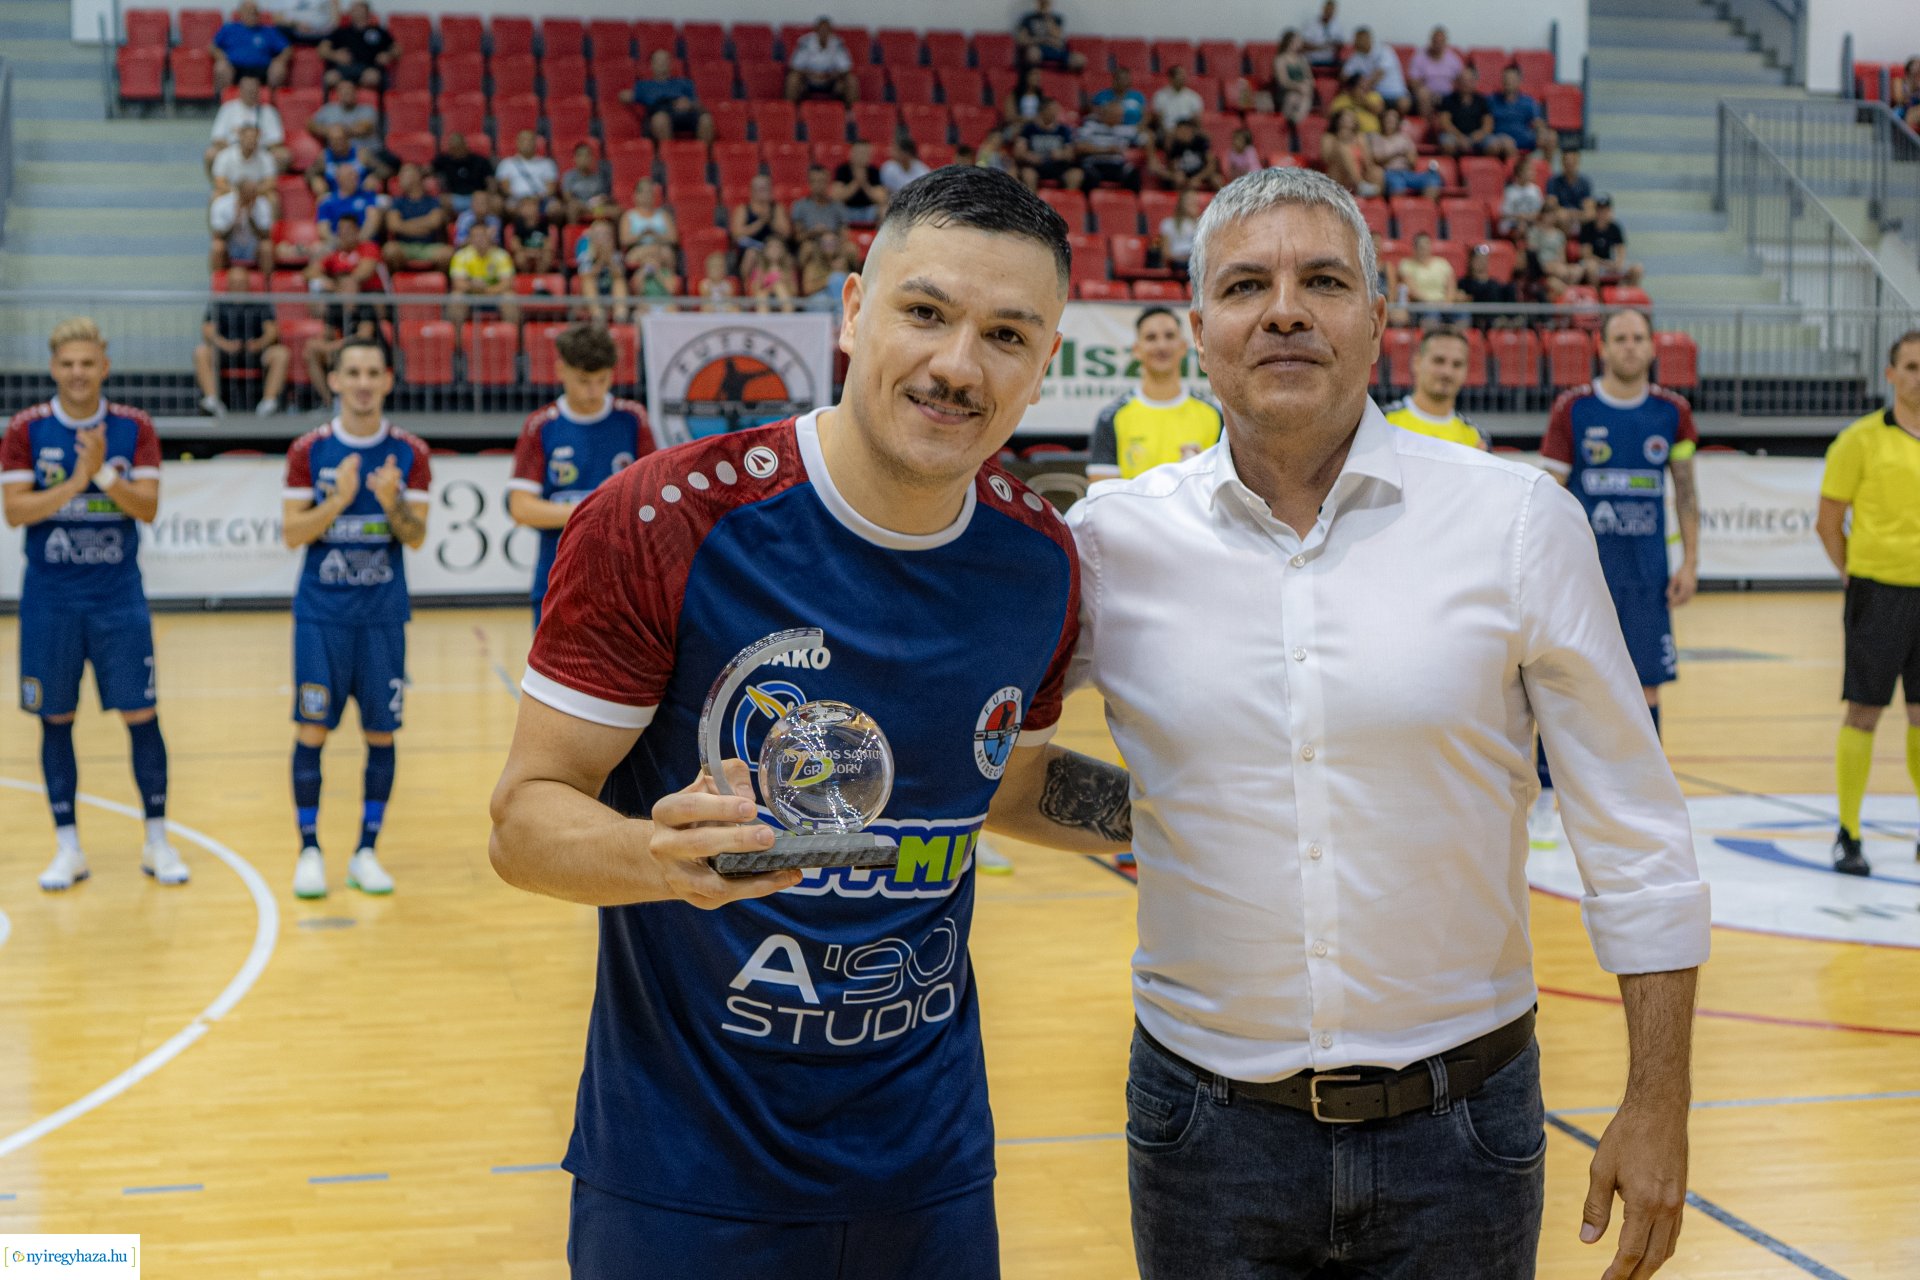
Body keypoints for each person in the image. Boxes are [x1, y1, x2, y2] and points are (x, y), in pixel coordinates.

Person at [487, 165, 1130, 1277]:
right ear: (851, 310)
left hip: (930, 1171)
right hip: (684, 1176)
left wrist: (1183, 813)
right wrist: (655, 852)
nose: (957, 365)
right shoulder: (663, 520)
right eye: (925, 312)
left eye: (1007, 335)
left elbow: (1011, 788)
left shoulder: (1039, 558)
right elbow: (523, 823)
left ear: (1046, 365)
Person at [1066, 166, 1705, 1280]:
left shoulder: (1517, 524)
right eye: (1245, 284)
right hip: (1202, 1132)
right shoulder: (1109, 546)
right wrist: (1166, 816)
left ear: (1378, 323)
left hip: (1464, 1130)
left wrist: (1659, 1099)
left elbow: (1635, 832)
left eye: (1323, 279)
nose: (1285, 309)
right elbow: (992, 754)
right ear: (1199, 331)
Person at [3, 318, 186, 891]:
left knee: (141, 715)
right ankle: (69, 847)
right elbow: (16, 512)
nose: (78, 373)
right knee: (56, 718)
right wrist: (76, 479)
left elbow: (148, 508)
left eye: (88, 363)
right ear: (53, 368)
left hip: (118, 598)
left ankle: (157, 840)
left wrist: (103, 471)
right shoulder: (25, 430)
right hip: (51, 600)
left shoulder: (135, 427)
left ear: (104, 366)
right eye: (67, 364)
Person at [1535, 308, 1700, 844]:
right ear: (1602, 348)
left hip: (1647, 573)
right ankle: (1545, 790)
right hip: (1583, 575)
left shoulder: (1673, 412)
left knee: (1646, 685)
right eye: (1620, 339)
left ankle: (1639, 789)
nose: (1630, 347)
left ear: (1653, 348)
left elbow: (1686, 492)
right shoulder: (1574, 408)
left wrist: (1691, 563)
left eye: (1639, 338)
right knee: (1565, 676)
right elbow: (1549, 493)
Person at [282, 339, 429, 899]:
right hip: (321, 617)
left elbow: (415, 536)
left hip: (382, 618)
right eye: (353, 373)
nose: (363, 382)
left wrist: (392, 502)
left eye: (373, 372)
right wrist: (339, 500)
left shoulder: (409, 451)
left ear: (387, 380)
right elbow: (292, 533)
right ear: (336, 381)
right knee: (311, 730)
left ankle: (366, 850)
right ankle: (309, 850)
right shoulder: (308, 450)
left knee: (380, 733)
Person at [1814, 330, 1920, 875]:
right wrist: (1855, 573)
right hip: (1878, 593)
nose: (1918, 377)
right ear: (1891, 375)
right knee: (1864, 712)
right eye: (1911, 367)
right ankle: (1848, 832)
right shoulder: (1859, 440)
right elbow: (1829, 522)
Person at [507, 323, 655, 630]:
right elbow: (521, 507)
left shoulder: (633, 419)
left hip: (623, 585)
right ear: (561, 370)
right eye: (584, 380)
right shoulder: (541, 426)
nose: (593, 390)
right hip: (560, 581)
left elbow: (654, 499)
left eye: (602, 380)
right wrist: (593, 511)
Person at [1088, 306, 1222, 482]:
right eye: (1151, 338)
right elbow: (1102, 496)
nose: (1162, 346)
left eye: (1169, 336)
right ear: (1136, 350)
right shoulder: (1110, 417)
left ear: (1183, 347)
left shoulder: (1214, 414)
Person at [195, 266, 291, 417]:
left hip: (255, 353)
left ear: (248, 283)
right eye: (234, 282)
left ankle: (268, 403)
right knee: (201, 352)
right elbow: (207, 330)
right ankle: (212, 402)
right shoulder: (219, 303)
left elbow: (272, 330)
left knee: (281, 353)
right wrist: (224, 344)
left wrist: (260, 343)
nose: (238, 285)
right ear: (228, 284)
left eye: (241, 282)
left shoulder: (259, 303)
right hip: (225, 353)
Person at [1383, 325, 1485, 447]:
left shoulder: (1475, 438)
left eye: (1457, 364)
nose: (1447, 372)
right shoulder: (1383, 421)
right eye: (1439, 361)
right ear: (1417, 362)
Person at [621, 48, 715, 144]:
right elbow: (624, 97)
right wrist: (624, 96)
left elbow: (699, 105)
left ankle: (705, 156)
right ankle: (669, 155)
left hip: (685, 114)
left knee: (706, 119)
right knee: (660, 119)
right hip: (660, 113)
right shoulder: (643, 85)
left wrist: (689, 104)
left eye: (665, 60)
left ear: (670, 64)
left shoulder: (684, 83)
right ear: (651, 65)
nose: (662, 64)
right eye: (658, 61)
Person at [206, 74, 288, 174]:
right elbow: (217, 137)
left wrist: (254, 146)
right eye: (248, 90)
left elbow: (276, 140)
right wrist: (239, 149)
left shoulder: (268, 111)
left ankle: (269, 184)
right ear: (240, 90)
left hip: (260, 151)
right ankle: (220, 186)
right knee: (211, 154)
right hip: (232, 150)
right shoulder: (228, 108)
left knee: (283, 155)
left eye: (253, 90)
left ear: (259, 91)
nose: (251, 92)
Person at [382, 163, 451, 271]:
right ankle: (397, 283)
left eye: (404, 173)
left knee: (447, 253)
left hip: (428, 247)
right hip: (404, 246)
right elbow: (394, 225)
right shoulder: (397, 202)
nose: (399, 177)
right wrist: (423, 227)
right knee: (389, 250)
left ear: (417, 176)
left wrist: (404, 225)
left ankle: (437, 283)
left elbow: (435, 221)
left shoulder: (432, 201)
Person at [448, 222, 519, 326]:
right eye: (475, 236)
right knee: (456, 297)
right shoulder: (461, 256)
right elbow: (458, 284)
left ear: (489, 237)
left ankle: (511, 340)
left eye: (482, 235)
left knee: (510, 298)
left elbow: (507, 284)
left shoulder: (501, 256)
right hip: (470, 296)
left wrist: (485, 290)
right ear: (470, 239)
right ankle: (457, 340)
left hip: (494, 295)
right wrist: (473, 287)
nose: (479, 239)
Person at [212, 0, 291, 92]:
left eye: (255, 12)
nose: (253, 14)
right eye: (249, 12)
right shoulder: (229, 29)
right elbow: (213, 47)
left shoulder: (269, 31)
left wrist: (279, 61)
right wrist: (222, 57)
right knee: (221, 67)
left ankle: (273, 103)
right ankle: (223, 102)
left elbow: (287, 49)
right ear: (241, 13)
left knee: (278, 69)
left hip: (263, 70)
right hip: (235, 68)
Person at [318, 0, 397, 90]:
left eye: (360, 9)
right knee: (330, 77)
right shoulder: (341, 31)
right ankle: (345, 93)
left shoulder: (379, 31)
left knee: (373, 77)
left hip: (369, 69)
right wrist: (334, 55)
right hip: (343, 70)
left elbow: (396, 48)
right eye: (354, 9)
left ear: (368, 12)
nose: (357, 12)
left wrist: (388, 55)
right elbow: (322, 49)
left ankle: (358, 96)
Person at [210, 176, 276, 273]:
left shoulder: (262, 204)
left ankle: (267, 284)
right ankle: (217, 282)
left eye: (254, 192)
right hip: (231, 248)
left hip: (253, 249)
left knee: (267, 247)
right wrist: (234, 221)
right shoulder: (222, 204)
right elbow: (218, 236)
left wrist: (250, 218)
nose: (253, 196)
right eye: (249, 193)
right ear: (240, 193)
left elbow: (266, 236)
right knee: (217, 246)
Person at [1075, 99, 1143, 192]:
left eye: (1121, 115)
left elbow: (1147, 138)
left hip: (1117, 165)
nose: (1120, 118)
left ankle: (1129, 204)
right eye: (1116, 115)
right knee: (1089, 176)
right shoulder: (1090, 127)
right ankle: (1089, 205)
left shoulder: (1126, 130)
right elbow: (1079, 147)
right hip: (1095, 164)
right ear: (1105, 114)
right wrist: (1106, 150)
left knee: (1133, 173)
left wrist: (1152, 159)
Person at [1436, 67, 1506, 158]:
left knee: (1494, 145)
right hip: (1453, 135)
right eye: (1463, 80)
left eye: (1469, 80)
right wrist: (1460, 137)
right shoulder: (1448, 100)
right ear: (1457, 82)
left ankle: (1483, 168)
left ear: (1475, 82)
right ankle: (1453, 169)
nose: (1465, 83)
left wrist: (1473, 139)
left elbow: (1488, 125)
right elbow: (1445, 123)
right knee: (1447, 144)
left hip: (1477, 137)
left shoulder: (1482, 100)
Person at [1371, 107, 1439, 198]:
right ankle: (1401, 210)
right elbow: (1377, 159)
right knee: (1397, 184)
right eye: (1388, 119)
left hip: (1407, 173)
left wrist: (1408, 156)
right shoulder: (1376, 138)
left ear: (1397, 122)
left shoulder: (1405, 138)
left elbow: (1412, 161)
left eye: (1393, 119)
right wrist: (1397, 153)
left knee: (1432, 179)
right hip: (1389, 173)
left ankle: (1426, 209)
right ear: (1382, 120)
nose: (1390, 122)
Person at [1015, 98, 1082, 191]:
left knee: (1076, 174)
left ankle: (1066, 203)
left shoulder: (1063, 130)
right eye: (1052, 109)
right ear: (1043, 110)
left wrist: (1061, 154)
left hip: (1058, 166)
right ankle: (1033, 203)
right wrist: (1028, 156)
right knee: (1028, 174)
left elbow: (1070, 153)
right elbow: (1019, 151)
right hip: (1036, 167)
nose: (1056, 112)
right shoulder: (1029, 129)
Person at [786, 16, 856, 105]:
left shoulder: (838, 43)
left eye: (826, 30)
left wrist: (831, 75)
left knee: (851, 80)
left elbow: (846, 68)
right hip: (808, 80)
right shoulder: (805, 42)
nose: (824, 32)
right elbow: (795, 66)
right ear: (815, 30)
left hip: (830, 80)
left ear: (831, 31)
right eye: (821, 29)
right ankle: (790, 111)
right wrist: (810, 75)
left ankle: (851, 113)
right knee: (792, 79)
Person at [1342, 26, 1410, 115]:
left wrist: (1364, 85)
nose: (1355, 43)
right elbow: (1344, 76)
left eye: (1358, 40)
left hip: (1395, 93)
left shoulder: (1384, 50)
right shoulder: (1356, 57)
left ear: (1367, 38)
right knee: (1366, 100)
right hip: (1374, 94)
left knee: (1404, 103)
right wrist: (1356, 83)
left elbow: (1379, 74)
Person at [1578, 196, 1644, 286]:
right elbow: (1586, 254)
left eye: (1605, 210)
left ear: (1609, 211)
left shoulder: (1615, 227)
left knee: (1637, 268)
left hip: (1609, 262)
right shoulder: (1588, 228)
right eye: (1599, 210)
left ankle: (1629, 295)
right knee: (1591, 267)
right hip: (1594, 263)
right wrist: (1604, 263)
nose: (1602, 213)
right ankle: (1597, 295)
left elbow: (1621, 249)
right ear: (1596, 211)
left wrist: (1618, 263)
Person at [1489, 66, 1551, 156]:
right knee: (1507, 144)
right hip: (1501, 140)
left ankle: (1545, 168)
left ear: (1519, 81)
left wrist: (1542, 132)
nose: (1508, 82)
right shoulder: (1492, 100)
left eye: (1512, 79)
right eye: (1506, 79)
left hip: (1523, 138)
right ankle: (1517, 167)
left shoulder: (1528, 102)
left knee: (1551, 137)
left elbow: (1537, 122)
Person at [1407, 25, 1465, 119]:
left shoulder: (1453, 58)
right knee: (1423, 94)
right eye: (1435, 41)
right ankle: (1426, 126)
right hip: (1427, 95)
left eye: (1441, 41)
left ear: (1446, 42)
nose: (1438, 44)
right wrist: (1431, 94)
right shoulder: (1419, 57)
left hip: (1448, 95)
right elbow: (1413, 82)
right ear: (1431, 41)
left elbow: (1461, 79)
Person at [1319, 108, 1380, 197]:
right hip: (1338, 175)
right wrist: (1339, 141)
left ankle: (1378, 202)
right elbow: (1326, 159)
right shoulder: (1329, 137)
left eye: (1351, 118)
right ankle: (1359, 185)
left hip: (1361, 173)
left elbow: (1368, 161)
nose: (1347, 120)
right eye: (1345, 118)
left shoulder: (1360, 137)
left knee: (1378, 172)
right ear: (1337, 121)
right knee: (1343, 149)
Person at [1459, 244, 1522, 327]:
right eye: (1477, 259)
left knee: (1510, 288)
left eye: (1483, 259)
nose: (1481, 262)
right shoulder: (1464, 283)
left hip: (1498, 319)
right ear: (1471, 261)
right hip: (1477, 320)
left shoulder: (1495, 284)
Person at [315, 163, 383, 240]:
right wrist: (337, 243)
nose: (354, 178)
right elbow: (323, 228)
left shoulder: (367, 196)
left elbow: (373, 219)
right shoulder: (327, 202)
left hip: (362, 241)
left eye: (356, 175)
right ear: (339, 179)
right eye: (350, 175)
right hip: (336, 243)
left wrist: (358, 240)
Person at [1150, 119, 1219, 193]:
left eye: (1183, 131)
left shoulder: (1201, 142)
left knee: (1217, 179)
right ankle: (1180, 203)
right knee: (1178, 180)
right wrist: (1181, 178)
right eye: (1178, 131)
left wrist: (1198, 178)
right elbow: (1174, 167)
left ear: (1190, 130)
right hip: (1185, 177)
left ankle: (1225, 203)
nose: (1180, 134)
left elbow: (1211, 165)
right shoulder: (1175, 146)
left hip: (1202, 174)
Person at [431, 132, 494, 214]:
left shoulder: (480, 160)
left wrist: (489, 195)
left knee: (494, 202)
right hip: (454, 198)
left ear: (465, 146)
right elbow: (428, 169)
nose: (456, 151)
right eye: (453, 148)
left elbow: (491, 181)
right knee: (440, 201)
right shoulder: (444, 159)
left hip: (477, 197)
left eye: (458, 148)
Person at [831, 139, 890, 225]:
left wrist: (864, 184)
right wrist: (856, 182)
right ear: (851, 153)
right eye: (859, 152)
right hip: (847, 210)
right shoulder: (842, 170)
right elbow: (836, 197)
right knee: (834, 209)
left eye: (865, 153)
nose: (862, 156)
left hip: (868, 210)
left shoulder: (874, 171)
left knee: (885, 210)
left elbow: (881, 198)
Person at [1015, 0, 1084, 70]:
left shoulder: (1057, 19)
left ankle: (1060, 67)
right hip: (1038, 49)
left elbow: (1058, 39)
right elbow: (1022, 41)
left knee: (1080, 60)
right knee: (1033, 54)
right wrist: (1044, 40)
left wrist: (1047, 17)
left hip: (1056, 50)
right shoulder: (1027, 19)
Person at [497, 130, 559, 207]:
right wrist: (522, 199)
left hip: (542, 200)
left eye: (530, 140)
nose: (527, 143)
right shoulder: (506, 163)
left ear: (535, 143)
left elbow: (551, 189)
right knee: (509, 207)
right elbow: (505, 188)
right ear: (517, 143)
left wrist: (537, 198)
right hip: (516, 200)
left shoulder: (547, 163)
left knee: (555, 208)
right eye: (523, 140)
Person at [1270, 30, 1315, 125]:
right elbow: (1283, 81)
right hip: (1286, 91)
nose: (1300, 44)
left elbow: (1309, 78)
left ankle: (1295, 121)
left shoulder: (1302, 59)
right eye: (1297, 41)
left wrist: (1307, 85)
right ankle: (1288, 123)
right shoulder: (1280, 59)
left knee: (1304, 97)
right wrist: (1298, 86)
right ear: (1290, 42)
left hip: (1303, 91)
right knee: (1292, 97)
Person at [505, 195, 558, 275]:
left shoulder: (543, 223)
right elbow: (515, 244)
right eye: (526, 206)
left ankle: (539, 277)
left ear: (537, 208)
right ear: (521, 209)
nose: (529, 209)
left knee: (547, 256)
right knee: (520, 257)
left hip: (540, 252)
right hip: (524, 252)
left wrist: (538, 252)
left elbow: (548, 243)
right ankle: (526, 278)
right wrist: (528, 252)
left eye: (531, 206)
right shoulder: (518, 224)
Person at [560, 143, 612, 225]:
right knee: (572, 208)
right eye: (581, 156)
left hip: (596, 209)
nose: (584, 158)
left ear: (592, 158)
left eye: (587, 155)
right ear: (575, 158)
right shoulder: (569, 176)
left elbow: (605, 197)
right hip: (580, 208)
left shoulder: (598, 177)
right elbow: (568, 198)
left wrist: (603, 200)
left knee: (617, 211)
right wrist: (585, 206)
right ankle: (574, 236)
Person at [1151, 66, 1206, 135]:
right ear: (1171, 78)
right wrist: (1167, 131)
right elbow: (1159, 119)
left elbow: (1196, 119)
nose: (1183, 78)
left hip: (1187, 130)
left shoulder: (1193, 96)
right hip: (1167, 131)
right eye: (1180, 75)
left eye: (1184, 75)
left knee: (1204, 137)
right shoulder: (1160, 96)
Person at [1547, 149, 1596, 222]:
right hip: (1561, 216)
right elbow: (1551, 204)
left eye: (1573, 162)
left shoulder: (1584, 183)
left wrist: (1573, 214)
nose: (1569, 165)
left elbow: (1588, 206)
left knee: (1591, 215)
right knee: (1559, 216)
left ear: (1577, 162)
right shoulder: (1554, 181)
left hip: (1578, 216)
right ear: (1562, 163)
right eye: (1567, 162)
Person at [1300, 0, 1346, 68]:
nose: (1329, 12)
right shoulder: (1312, 24)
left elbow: (1341, 44)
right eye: (1328, 9)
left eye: (1331, 10)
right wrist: (1320, 47)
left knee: (1345, 65)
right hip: (1313, 59)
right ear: (1323, 9)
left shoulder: (1337, 26)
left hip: (1330, 59)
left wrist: (1336, 44)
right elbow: (1303, 44)